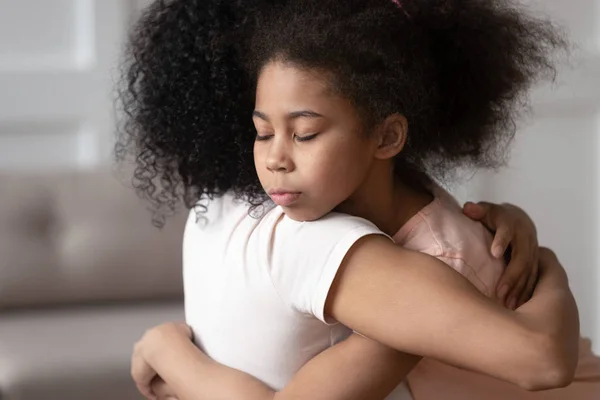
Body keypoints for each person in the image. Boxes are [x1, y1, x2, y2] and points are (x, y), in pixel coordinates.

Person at [117, 0, 597, 399]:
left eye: (305, 134)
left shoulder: (421, 269)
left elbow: (543, 361)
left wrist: (549, 267)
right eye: (262, 132)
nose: (275, 160)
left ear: (387, 137)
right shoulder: (378, 203)